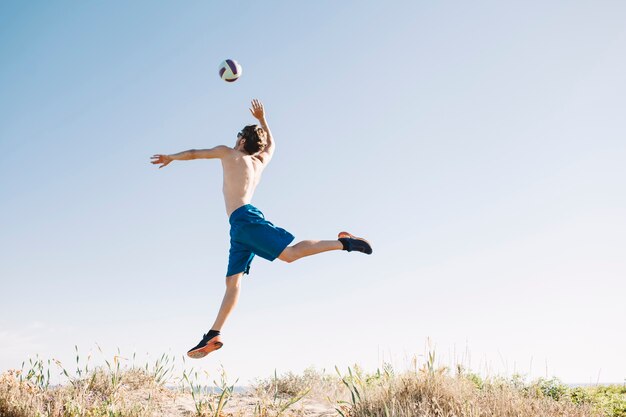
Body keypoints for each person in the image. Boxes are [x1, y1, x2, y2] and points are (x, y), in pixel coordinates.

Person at [151, 99, 372, 359]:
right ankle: (213, 334)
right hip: (238, 227)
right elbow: (272, 145)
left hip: (246, 219)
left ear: (243, 140)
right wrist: (263, 119)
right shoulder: (258, 162)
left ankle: (345, 243)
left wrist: (171, 158)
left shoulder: (230, 153)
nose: (234, 139)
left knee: (289, 255)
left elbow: (195, 153)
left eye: (237, 136)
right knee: (232, 282)